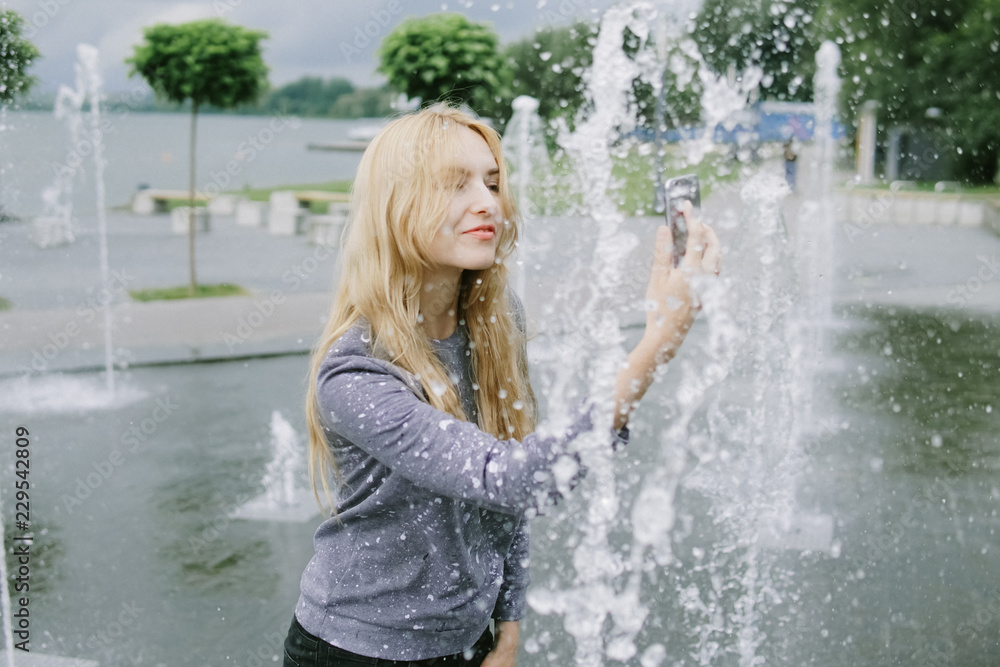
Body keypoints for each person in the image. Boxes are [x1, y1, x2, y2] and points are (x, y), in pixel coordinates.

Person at [282, 104, 720, 667]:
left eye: (491, 182)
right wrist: (656, 342)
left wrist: (506, 624)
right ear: (396, 206)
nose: (488, 202)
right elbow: (507, 479)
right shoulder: (356, 374)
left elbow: (510, 473)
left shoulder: (490, 320)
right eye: (454, 184)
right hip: (355, 651)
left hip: (470, 642)